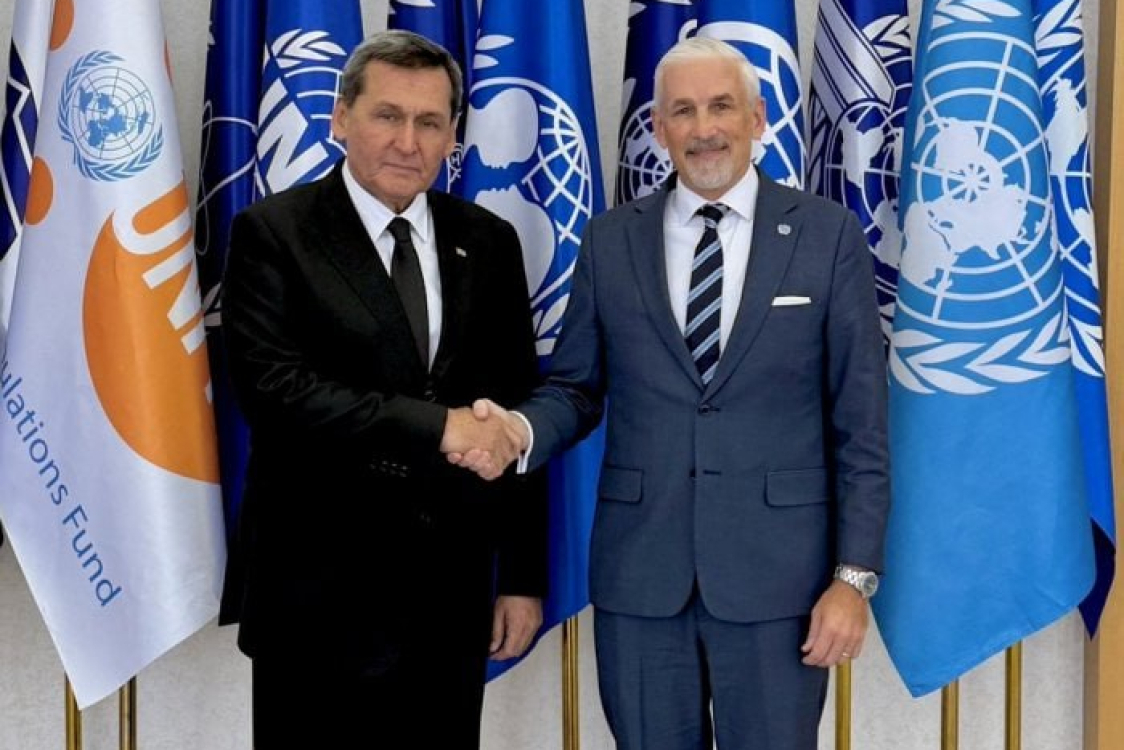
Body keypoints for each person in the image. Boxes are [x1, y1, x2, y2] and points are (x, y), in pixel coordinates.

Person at [452, 37, 889, 750]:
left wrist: (854, 578)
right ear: (658, 128)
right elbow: (576, 388)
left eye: (721, 106)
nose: (704, 127)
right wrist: (517, 432)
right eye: (683, 111)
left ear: (756, 118)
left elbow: (861, 425)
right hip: (641, 578)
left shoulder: (827, 236)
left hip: (780, 586)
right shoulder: (609, 241)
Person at [221, 30, 546, 749]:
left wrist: (521, 577)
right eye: (387, 116)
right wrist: (438, 426)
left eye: (429, 122)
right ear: (341, 118)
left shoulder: (488, 241)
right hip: (315, 597)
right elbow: (275, 392)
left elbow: (514, 411)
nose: (407, 141)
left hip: (449, 599)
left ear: (453, 136)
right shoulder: (274, 233)